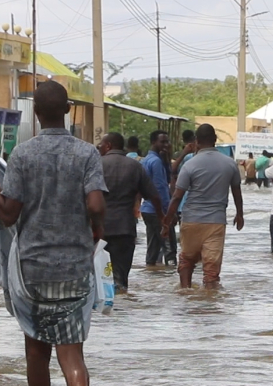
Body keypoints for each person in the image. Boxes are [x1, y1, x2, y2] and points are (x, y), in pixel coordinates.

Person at [0, 80, 107, 386]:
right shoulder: (87, 153)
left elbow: (7, 215)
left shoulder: (22, 154)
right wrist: (95, 234)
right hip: (74, 266)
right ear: (66, 110)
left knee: (35, 351)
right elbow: (96, 206)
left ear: (37, 113)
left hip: (31, 269)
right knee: (72, 354)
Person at [161, 123, 243, 289]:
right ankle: (210, 305)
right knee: (211, 270)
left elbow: (177, 196)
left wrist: (167, 221)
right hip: (216, 221)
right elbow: (236, 192)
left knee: (187, 260)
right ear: (215, 140)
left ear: (197, 141)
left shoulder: (190, 164)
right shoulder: (229, 164)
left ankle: (185, 293)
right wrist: (239, 214)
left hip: (191, 220)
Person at [98, 131, 164, 292]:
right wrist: (162, 219)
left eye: (101, 144)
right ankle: (123, 310)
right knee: (121, 279)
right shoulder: (135, 167)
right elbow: (154, 196)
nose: (99, 147)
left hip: (99, 229)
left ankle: (105, 314)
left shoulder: (96, 164)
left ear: (108, 146)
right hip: (125, 229)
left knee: (100, 279)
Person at [141, 129, 175, 266]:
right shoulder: (155, 162)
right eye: (162, 142)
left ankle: (151, 278)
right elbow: (161, 189)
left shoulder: (147, 160)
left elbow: (166, 179)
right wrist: (168, 213)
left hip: (148, 210)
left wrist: (166, 160)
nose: (166, 145)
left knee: (153, 248)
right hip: (158, 211)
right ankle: (172, 280)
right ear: (154, 142)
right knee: (169, 248)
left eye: (167, 141)